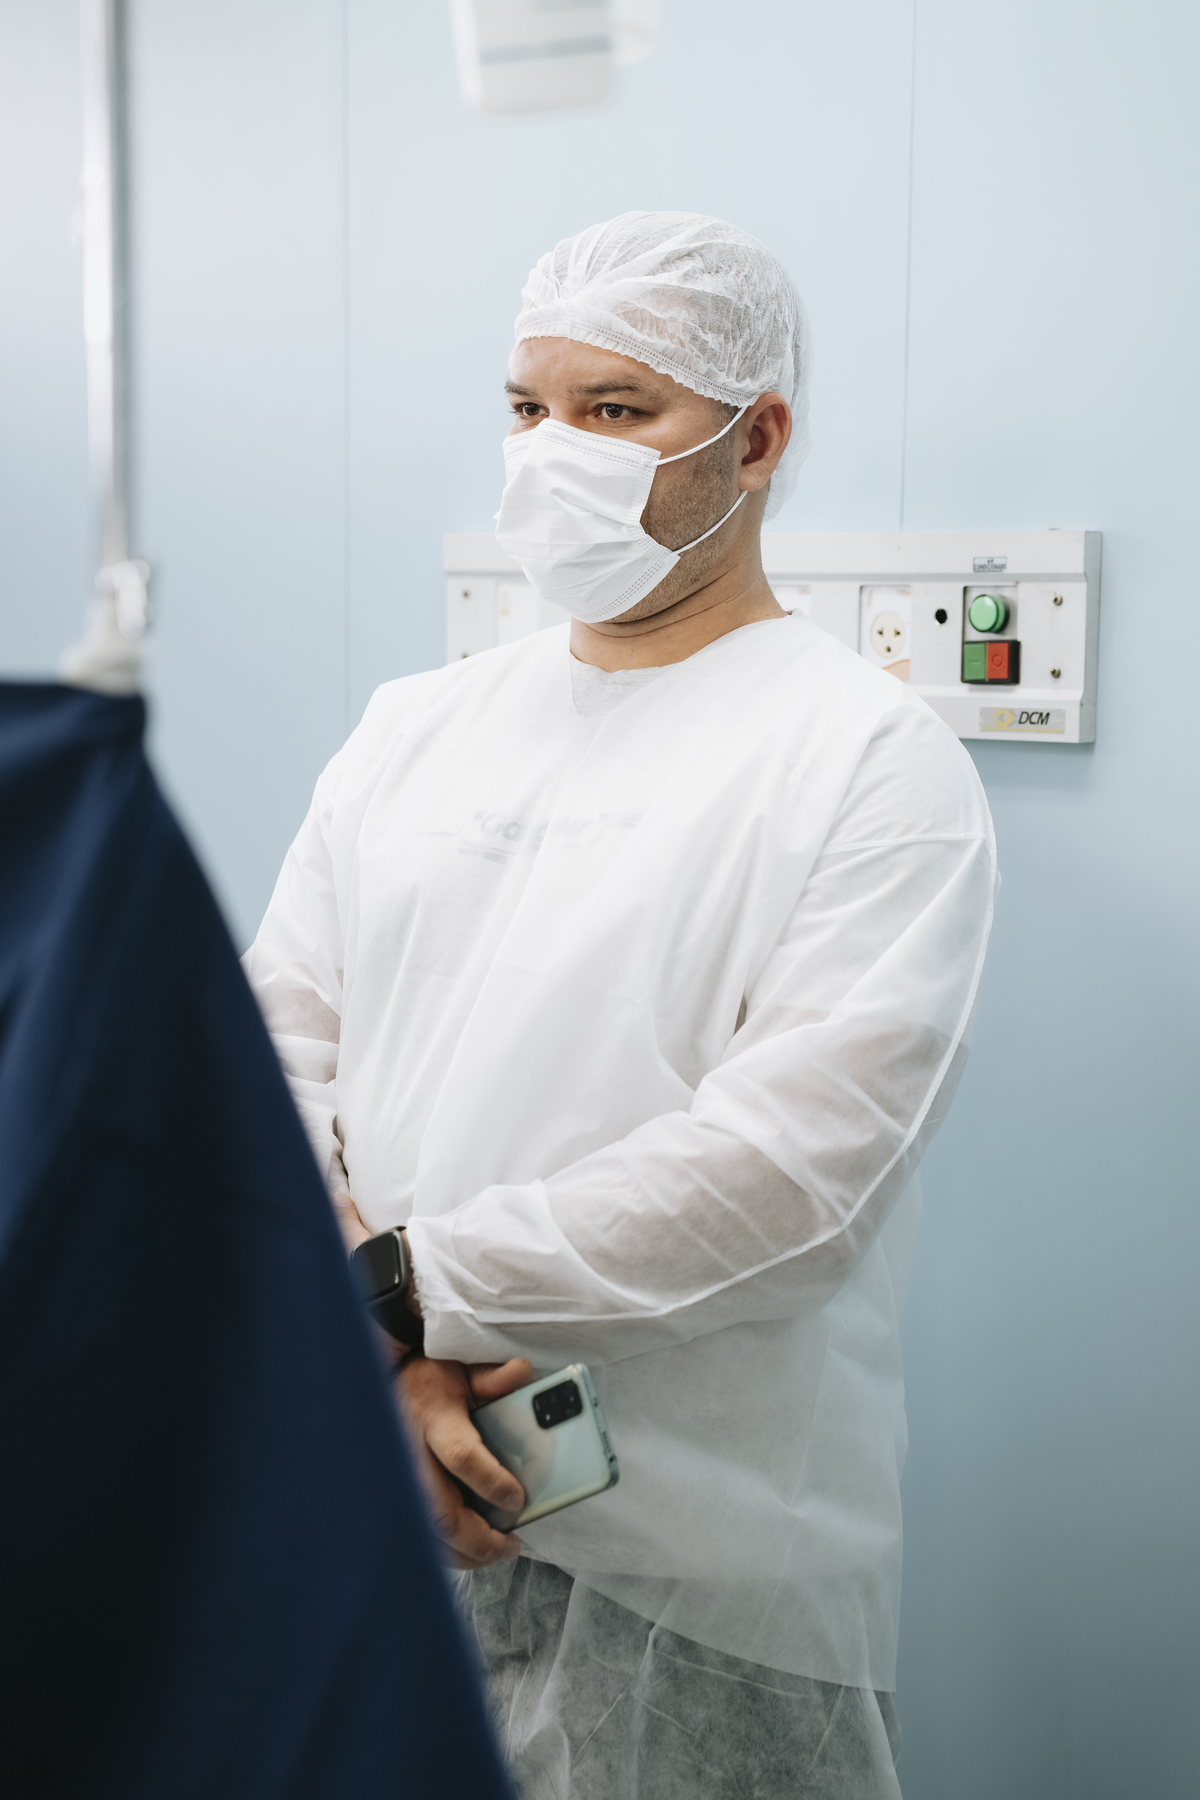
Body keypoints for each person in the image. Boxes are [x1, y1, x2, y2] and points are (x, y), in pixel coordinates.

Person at [244, 211, 996, 1799]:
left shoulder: (868, 759)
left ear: (757, 439)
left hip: (701, 1566)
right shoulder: (412, 730)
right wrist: (378, 1331)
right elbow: (268, 1060)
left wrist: (409, 1297)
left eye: (615, 410)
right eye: (529, 409)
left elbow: (791, 1178)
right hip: (384, 1486)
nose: (552, 456)